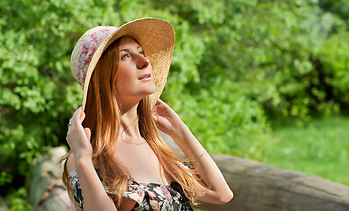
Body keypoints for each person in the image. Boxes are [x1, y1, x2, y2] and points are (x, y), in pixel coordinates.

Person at [61, 18, 233, 211]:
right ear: (103, 77)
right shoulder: (88, 154)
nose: (145, 61)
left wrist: (181, 131)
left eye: (141, 52)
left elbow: (221, 193)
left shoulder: (157, 148)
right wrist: (83, 158)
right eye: (125, 56)